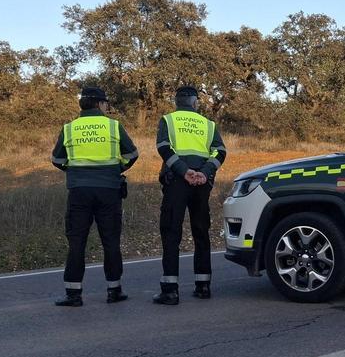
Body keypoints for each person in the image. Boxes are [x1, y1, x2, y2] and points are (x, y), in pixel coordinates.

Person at [50, 85, 138, 306]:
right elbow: (132, 154)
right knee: (110, 240)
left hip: (79, 192)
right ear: (99, 104)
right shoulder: (113, 126)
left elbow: (57, 160)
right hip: (109, 191)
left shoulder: (69, 128)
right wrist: (116, 169)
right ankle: (114, 290)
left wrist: (75, 171)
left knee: (77, 242)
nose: (107, 107)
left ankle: (73, 294)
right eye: (106, 103)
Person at [153, 86, 227, 305]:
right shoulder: (208, 124)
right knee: (201, 231)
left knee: (171, 232)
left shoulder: (168, 120)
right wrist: (204, 172)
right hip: (201, 183)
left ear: (177, 102)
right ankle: (203, 286)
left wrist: (184, 171)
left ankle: (170, 291)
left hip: (177, 181)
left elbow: (164, 148)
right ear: (195, 102)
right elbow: (220, 152)